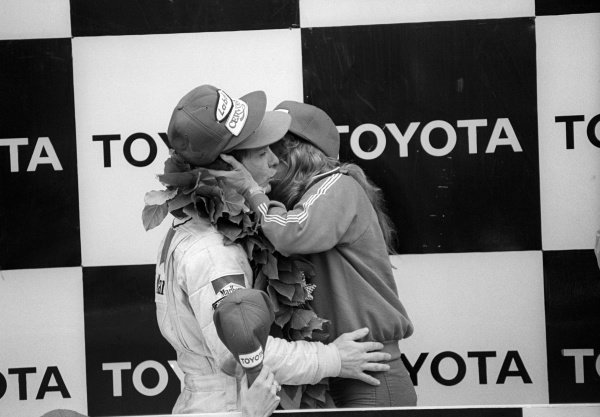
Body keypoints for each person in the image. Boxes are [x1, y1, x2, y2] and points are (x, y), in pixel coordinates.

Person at [143, 85, 393, 415]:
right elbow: (240, 353)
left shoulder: (202, 230)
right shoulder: (212, 250)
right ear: (228, 169)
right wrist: (333, 358)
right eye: (262, 153)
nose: (275, 161)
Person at [213, 100, 417, 408]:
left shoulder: (339, 183)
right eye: (261, 152)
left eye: (274, 150)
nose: (268, 161)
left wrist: (251, 190)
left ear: (299, 153)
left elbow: (292, 232)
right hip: (341, 373)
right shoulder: (298, 202)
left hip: (373, 375)